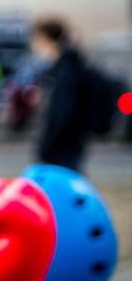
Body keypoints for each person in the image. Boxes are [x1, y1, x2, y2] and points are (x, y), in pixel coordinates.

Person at [31, 17, 91, 169]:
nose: (35, 45)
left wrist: (47, 147)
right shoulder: (60, 68)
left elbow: (63, 113)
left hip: (62, 149)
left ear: (46, 39)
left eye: (37, 39)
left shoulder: (65, 72)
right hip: (66, 146)